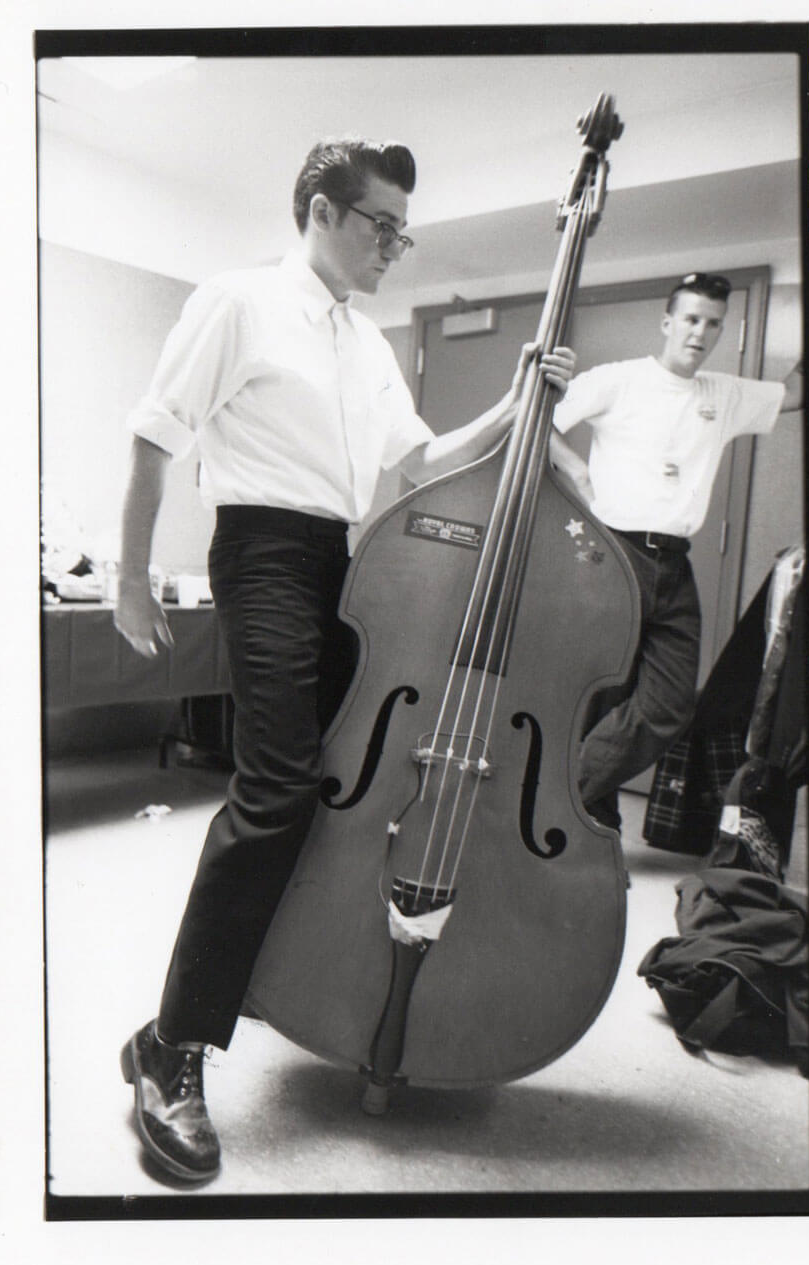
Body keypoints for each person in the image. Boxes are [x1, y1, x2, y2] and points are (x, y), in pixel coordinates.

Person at [114, 136, 574, 1183]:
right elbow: (153, 438)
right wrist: (134, 578)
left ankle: (232, 1000)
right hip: (263, 552)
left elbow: (418, 458)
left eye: (403, 232)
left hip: (341, 559)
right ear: (320, 210)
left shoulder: (365, 342)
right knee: (274, 788)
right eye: (381, 225)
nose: (394, 247)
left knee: (329, 787)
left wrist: (519, 397)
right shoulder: (235, 301)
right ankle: (173, 1049)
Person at [549, 271, 803, 831]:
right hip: (612, 556)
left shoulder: (724, 394)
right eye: (691, 319)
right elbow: (536, 420)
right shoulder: (619, 381)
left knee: (667, 707)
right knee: (602, 696)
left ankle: (553, 799)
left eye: (713, 323)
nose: (700, 332)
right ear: (668, 322)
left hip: (674, 564)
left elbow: (798, 391)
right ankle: (587, 836)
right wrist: (579, 472)